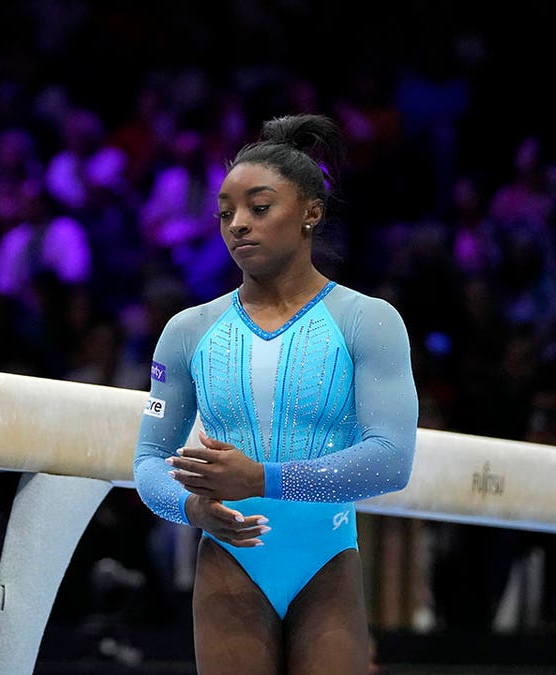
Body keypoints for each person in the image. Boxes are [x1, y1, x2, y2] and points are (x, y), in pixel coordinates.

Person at [133, 114, 418, 674]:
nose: (238, 224)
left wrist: (261, 479)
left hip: (327, 560)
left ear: (311, 211)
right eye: (225, 213)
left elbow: (391, 461)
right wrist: (192, 507)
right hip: (230, 561)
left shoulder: (368, 320)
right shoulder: (187, 331)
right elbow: (146, 463)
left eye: (259, 208)